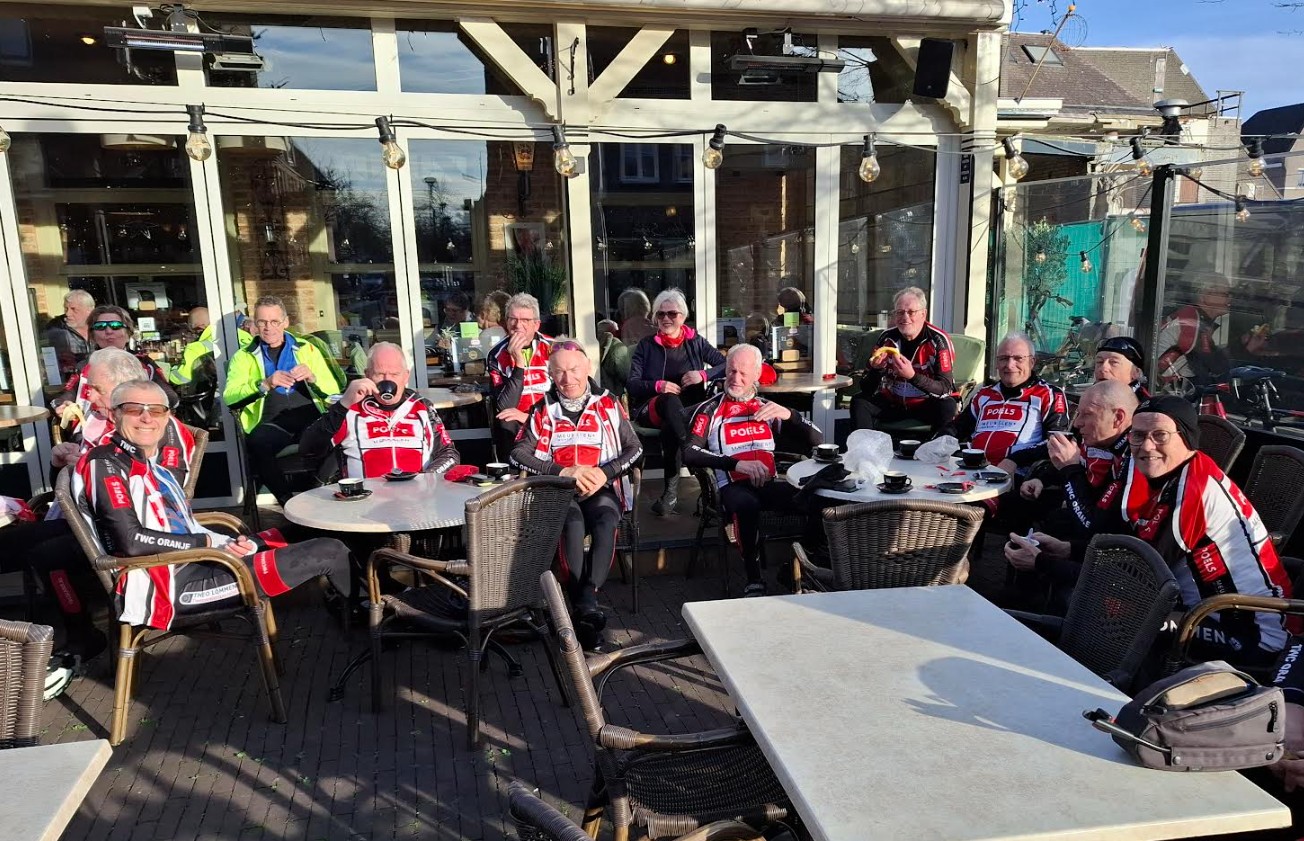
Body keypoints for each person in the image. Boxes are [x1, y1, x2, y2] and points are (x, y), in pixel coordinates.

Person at [1008, 396, 1292, 668]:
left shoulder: (1192, 490)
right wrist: (1068, 549)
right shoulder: (1172, 473)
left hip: (1251, 633)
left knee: (1112, 612)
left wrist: (1042, 563)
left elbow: (1137, 583)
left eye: (1160, 436)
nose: (1146, 446)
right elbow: (1132, 548)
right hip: (1203, 609)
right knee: (1098, 604)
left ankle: (1092, 684)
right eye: (1138, 435)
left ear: (1187, 438)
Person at [71, 379, 353, 631]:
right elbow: (131, 541)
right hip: (166, 588)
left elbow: (184, 528)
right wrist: (206, 542)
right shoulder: (105, 463)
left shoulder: (151, 465)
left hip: (200, 561)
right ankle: (363, 625)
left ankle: (358, 609)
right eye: (134, 409)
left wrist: (227, 543)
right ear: (114, 414)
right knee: (329, 551)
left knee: (313, 530)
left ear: (167, 417)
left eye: (156, 411)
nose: (146, 418)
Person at [511, 341, 641, 651]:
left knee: (606, 521)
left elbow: (635, 449)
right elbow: (518, 453)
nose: (567, 378)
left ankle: (584, 601)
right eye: (559, 372)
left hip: (600, 488)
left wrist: (605, 473)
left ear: (587, 369)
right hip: (558, 491)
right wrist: (562, 471)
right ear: (550, 374)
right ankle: (587, 609)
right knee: (571, 523)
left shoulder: (608, 403)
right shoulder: (542, 408)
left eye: (574, 370)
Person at [683, 344, 823, 596]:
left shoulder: (767, 407)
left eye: (743, 373)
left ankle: (800, 565)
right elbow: (689, 452)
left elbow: (817, 439)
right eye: (731, 371)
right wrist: (735, 463)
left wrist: (789, 414)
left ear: (757, 374)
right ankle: (754, 578)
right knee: (747, 505)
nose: (735, 379)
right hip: (732, 487)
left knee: (820, 499)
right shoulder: (711, 409)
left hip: (768, 484)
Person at [1005, 379, 1138, 611]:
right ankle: (1020, 599)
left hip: (1123, 563)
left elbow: (1092, 527)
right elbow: (1078, 468)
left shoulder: (1134, 455)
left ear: (1118, 418)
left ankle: (1033, 608)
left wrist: (1069, 470)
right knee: (1022, 506)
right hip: (1096, 534)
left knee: (1057, 523)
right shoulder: (1104, 439)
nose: (1077, 423)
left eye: (1086, 414)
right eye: (1078, 413)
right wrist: (1044, 477)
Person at [223, 295, 345, 507]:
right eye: (262, 322)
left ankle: (319, 491)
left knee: (344, 438)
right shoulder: (243, 356)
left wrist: (313, 377)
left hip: (311, 418)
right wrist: (264, 384)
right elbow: (230, 397)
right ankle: (288, 503)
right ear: (254, 324)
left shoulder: (307, 349)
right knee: (258, 444)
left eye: (274, 321)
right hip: (273, 421)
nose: (268, 328)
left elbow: (333, 392)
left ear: (285, 322)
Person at [627, 288, 727, 516]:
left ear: (682, 316)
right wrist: (658, 386)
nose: (666, 319)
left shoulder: (695, 342)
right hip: (652, 407)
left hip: (686, 411)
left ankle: (670, 496)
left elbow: (725, 364)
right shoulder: (646, 345)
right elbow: (632, 384)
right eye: (660, 314)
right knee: (671, 402)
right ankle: (693, 456)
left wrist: (703, 375)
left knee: (671, 426)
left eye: (672, 313)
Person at [300, 341, 459, 479]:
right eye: (379, 374)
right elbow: (309, 450)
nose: (387, 380)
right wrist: (343, 405)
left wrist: (426, 479)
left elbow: (449, 454)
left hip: (417, 497)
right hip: (365, 498)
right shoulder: (351, 409)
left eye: (394, 374)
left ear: (406, 376)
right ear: (367, 375)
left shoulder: (421, 407)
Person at [945, 332, 1070, 475]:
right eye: (1003, 358)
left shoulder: (1050, 394)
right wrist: (933, 444)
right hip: (972, 470)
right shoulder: (983, 394)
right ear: (997, 363)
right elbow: (957, 428)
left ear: (1032, 362)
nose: (1010, 365)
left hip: (1018, 475)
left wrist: (1015, 459)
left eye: (1018, 358)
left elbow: (1058, 440)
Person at [51, 305, 176, 436]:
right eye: (100, 326)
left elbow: (171, 398)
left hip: (135, 432)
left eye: (116, 326)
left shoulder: (144, 364)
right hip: (89, 433)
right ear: (92, 335)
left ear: (128, 333)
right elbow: (64, 396)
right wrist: (62, 405)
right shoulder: (85, 365)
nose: (109, 331)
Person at [849, 286, 958, 436]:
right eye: (900, 312)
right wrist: (877, 370)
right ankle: (865, 448)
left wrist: (912, 376)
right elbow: (866, 388)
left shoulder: (938, 340)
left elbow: (945, 388)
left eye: (911, 312)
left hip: (926, 403)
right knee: (859, 401)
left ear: (923, 314)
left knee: (947, 406)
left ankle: (937, 450)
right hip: (894, 402)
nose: (905, 317)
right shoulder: (886, 338)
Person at [487, 293, 554, 459]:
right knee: (505, 420)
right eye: (513, 319)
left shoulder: (554, 348)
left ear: (536, 325)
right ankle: (513, 472)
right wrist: (518, 363)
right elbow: (504, 405)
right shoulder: (496, 354)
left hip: (551, 417)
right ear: (506, 322)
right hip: (515, 419)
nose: (518, 325)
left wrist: (530, 418)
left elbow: (564, 396)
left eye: (525, 320)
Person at [1157, 272, 1235, 390]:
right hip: (1165, 389)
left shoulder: (1193, 317)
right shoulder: (1191, 322)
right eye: (1225, 294)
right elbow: (1212, 368)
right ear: (1203, 295)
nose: (1230, 299)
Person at [169, 306, 254, 387]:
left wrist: (171, 367)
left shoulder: (196, 348)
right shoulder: (243, 335)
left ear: (199, 328)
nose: (192, 335)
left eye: (192, 331)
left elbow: (182, 378)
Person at [45, 289, 95, 381]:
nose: (67, 314)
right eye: (66, 308)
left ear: (89, 311)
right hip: (69, 382)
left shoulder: (101, 327)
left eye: (73, 309)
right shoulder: (56, 329)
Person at [596, 319, 631, 400]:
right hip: (615, 397)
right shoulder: (618, 348)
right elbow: (626, 376)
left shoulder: (594, 345)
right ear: (615, 332)